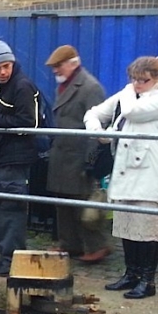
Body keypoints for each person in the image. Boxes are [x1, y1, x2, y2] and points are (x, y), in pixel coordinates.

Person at [85, 56, 158, 299]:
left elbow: (131, 112)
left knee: (146, 228)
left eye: (143, 81)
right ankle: (131, 274)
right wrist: (98, 131)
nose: (137, 85)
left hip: (150, 169)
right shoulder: (128, 93)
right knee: (126, 224)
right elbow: (94, 113)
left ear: (156, 78)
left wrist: (126, 91)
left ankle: (148, 279)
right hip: (126, 168)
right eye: (133, 80)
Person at [0, 40, 41, 276]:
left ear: (12, 64)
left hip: (13, 159)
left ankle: (13, 261)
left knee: (10, 212)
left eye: (5, 66)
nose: (2, 72)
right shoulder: (1, 87)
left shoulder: (22, 86)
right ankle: (4, 255)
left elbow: (28, 123)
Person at [44, 45, 109, 263]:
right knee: (63, 203)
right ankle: (69, 244)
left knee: (83, 203)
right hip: (63, 153)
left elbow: (97, 126)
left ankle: (97, 246)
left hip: (79, 155)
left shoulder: (90, 88)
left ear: (73, 63)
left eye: (58, 65)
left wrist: (90, 162)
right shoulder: (64, 86)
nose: (55, 70)